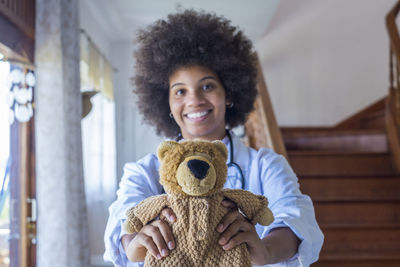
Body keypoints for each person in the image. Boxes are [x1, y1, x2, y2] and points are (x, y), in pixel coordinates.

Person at [104, 9, 324, 267]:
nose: (194, 100)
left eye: (207, 86)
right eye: (180, 91)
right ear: (166, 103)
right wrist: (133, 243)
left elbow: (295, 217)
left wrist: (266, 250)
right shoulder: (144, 171)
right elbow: (123, 217)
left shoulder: (267, 165)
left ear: (228, 94)